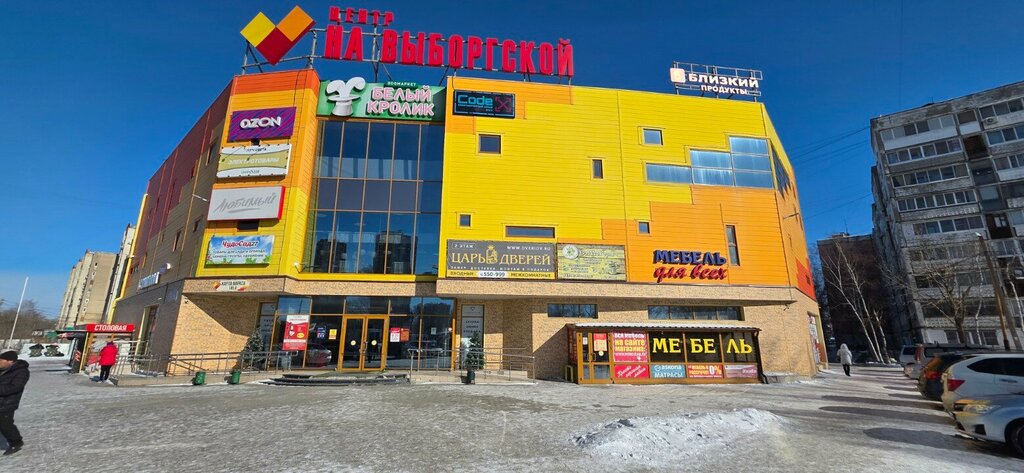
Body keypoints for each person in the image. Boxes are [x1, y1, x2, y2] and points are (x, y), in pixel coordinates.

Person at [0, 350, 29, 456]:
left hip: (7, 403)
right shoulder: (2, 369)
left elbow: (16, 387)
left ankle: (16, 442)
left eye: (1, 360)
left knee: (5, 425)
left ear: (10, 361)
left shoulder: (21, 371)